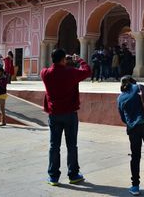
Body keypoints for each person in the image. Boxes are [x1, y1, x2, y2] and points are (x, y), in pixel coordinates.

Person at [41, 49, 91, 186]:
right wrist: (79, 60)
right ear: (64, 59)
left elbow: (52, 69)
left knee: (54, 146)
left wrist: (64, 61)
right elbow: (87, 71)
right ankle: (73, 174)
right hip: (69, 114)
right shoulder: (71, 72)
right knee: (71, 145)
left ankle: (53, 176)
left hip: (54, 114)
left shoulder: (45, 73)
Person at [117, 75, 144, 195]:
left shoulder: (120, 98)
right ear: (133, 81)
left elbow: (122, 117)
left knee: (135, 157)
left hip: (133, 128)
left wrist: (131, 122)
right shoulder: (139, 87)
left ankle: (135, 186)